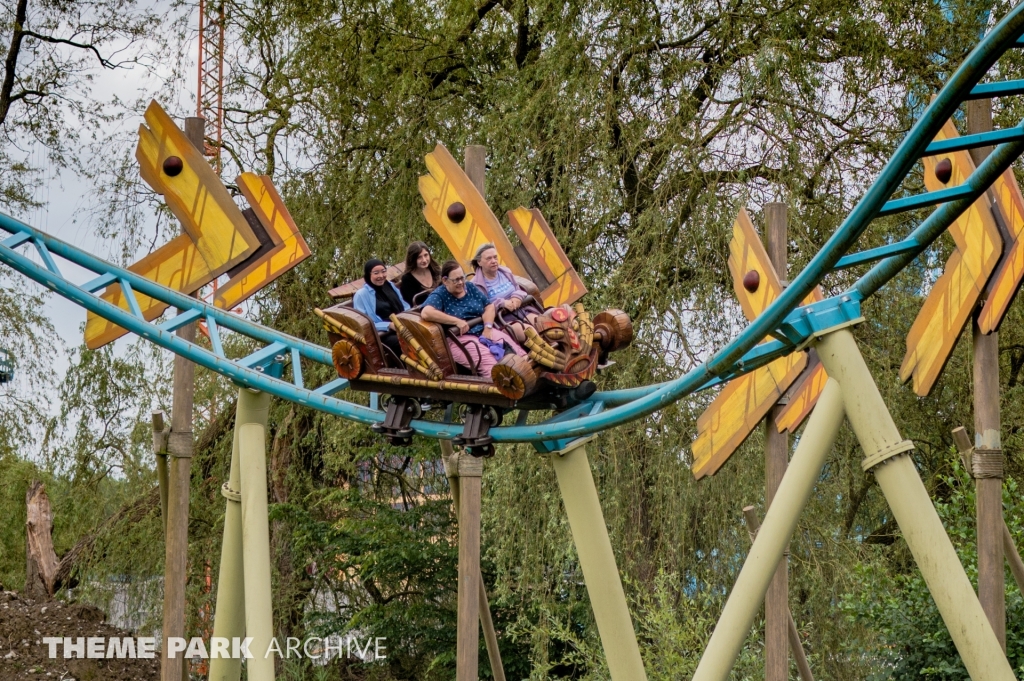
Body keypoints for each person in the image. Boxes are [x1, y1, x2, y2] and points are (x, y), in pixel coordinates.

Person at [421, 260, 526, 376]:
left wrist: (488, 326)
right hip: (460, 337)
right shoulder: (439, 294)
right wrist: (456, 321)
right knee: (489, 362)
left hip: (482, 329)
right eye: (456, 280)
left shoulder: (470, 287)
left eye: (462, 278)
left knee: (516, 352)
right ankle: (500, 388)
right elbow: (426, 312)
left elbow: (489, 306)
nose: (461, 282)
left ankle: (529, 376)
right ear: (445, 280)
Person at [352, 259, 409, 364]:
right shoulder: (361, 295)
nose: (381, 276)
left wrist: (406, 318)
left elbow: (405, 305)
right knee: (402, 342)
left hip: (402, 325)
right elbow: (363, 324)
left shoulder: (390, 286)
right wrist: (388, 325)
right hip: (382, 335)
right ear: (368, 274)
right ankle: (409, 369)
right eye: (376, 273)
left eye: (383, 271)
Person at [471, 243, 540, 323]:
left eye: (495, 257)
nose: (493, 261)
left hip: (521, 309)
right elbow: (481, 310)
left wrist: (517, 296)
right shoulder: (475, 285)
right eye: (489, 258)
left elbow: (519, 289)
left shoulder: (505, 271)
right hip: (502, 319)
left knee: (541, 324)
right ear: (479, 262)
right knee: (528, 330)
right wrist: (501, 303)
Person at [399, 241, 440, 306]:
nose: (424, 260)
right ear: (412, 259)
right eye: (419, 257)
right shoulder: (407, 279)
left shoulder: (435, 270)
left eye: (426, 255)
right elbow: (414, 305)